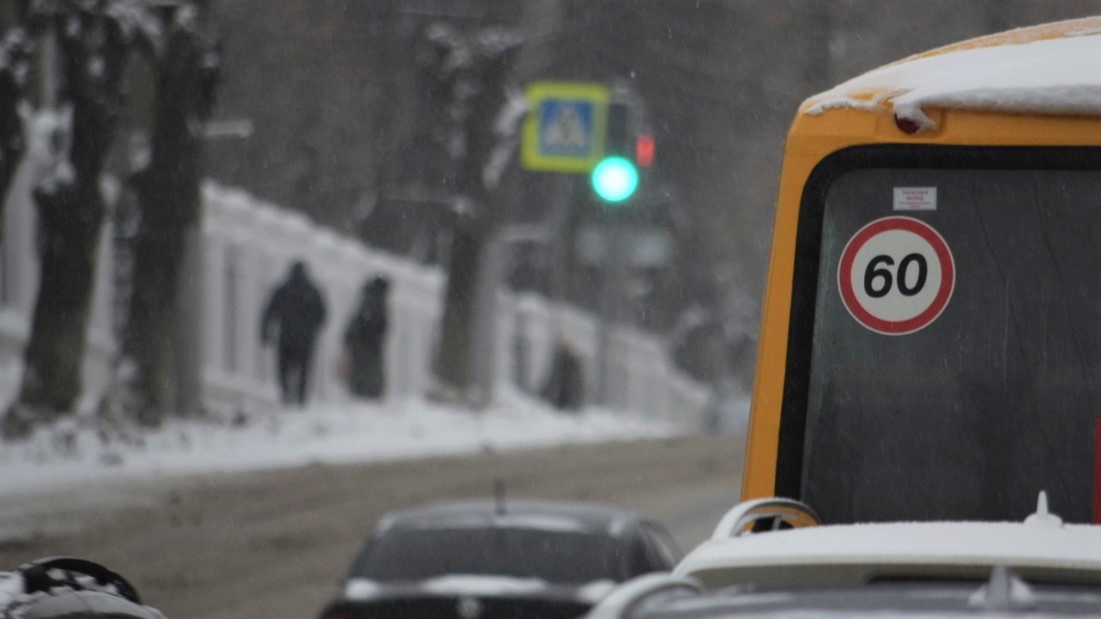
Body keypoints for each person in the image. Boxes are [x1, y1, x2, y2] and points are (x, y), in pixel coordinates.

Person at [261, 261, 327, 406]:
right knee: (304, 368)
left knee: (283, 367)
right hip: (305, 339)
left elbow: (270, 311)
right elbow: (322, 314)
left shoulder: (283, 290)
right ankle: (301, 397)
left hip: (286, 336)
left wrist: (265, 332)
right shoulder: (312, 291)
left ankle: (285, 393)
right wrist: (312, 328)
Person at [343, 274, 390, 399]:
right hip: (367, 343)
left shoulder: (368, 299)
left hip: (364, 342)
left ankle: (363, 390)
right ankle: (367, 391)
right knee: (368, 369)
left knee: (362, 369)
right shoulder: (375, 301)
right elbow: (370, 323)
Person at [539, 336, 585, 412]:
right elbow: (552, 380)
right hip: (559, 402)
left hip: (568, 403)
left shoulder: (573, 363)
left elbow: (576, 384)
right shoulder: (558, 361)